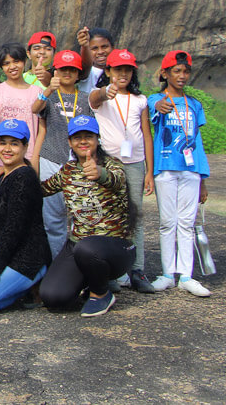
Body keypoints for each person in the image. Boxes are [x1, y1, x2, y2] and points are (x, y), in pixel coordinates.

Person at [38, 116, 137, 316]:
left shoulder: (112, 165)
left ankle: (101, 294)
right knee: (52, 296)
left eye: (88, 136)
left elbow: (116, 180)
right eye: (77, 137)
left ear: (97, 139)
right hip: (79, 246)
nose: (83, 141)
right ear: (70, 142)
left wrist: (99, 173)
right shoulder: (68, 170)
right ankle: (87, 280)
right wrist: (11, 171)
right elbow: (41, 189)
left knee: (87, 248)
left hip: (115, 246)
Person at [0, 120, 51, 313]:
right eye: (3, 143)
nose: (7, 149)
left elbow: (12, 232)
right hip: (6, 248)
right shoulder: (5, 176)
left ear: (25, 147)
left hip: (27, 258)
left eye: (14, 143)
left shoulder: (25, 178)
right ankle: (5, 280)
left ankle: (28, 285)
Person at [89, 49, 155, 293]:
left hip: (135, 163)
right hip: (109, 163)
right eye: (118, 69)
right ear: (108, 71)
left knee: (135, 215)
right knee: (107, 214)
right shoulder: (102, 96)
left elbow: (146, 135)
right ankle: (109, 272)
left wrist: (149, 172)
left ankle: (137, 270)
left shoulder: (140, 100)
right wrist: (106, 90)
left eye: (127, 70)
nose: (123, 74)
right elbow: (94, 98)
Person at [147, 50, 212, 296]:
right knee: (167, 222)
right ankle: (167, 274)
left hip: (191, 169)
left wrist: (203, 178)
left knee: (186, 222)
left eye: (185, 71)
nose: (182, 76)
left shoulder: (194, 104)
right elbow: (154, 108)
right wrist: (159, 106)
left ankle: (186, 276)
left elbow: (198, 140)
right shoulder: (156, 99)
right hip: (165, 167)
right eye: (176, 71)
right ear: (165, 74)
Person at [31, 50, 92, 258]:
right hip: (51, 158)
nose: (67, 73)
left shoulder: (85, 99)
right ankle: (56, 263)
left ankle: (79, 263)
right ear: (55, 71)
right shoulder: (49, 96)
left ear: (78, 74)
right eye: (63, 69)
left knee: (81, 216)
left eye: (72, 70)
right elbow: (35, 109)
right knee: (52, 218)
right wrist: (49, 89)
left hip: (79, 162)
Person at [0, 43, 41, 172]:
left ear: (24, 61)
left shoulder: (37, 92)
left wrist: (35, 158)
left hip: (26, 158)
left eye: (16, 61)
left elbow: (41, 129)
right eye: (6, 63)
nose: (12, 67)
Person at [77, 26, 114, 94]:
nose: (100, 52)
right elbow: (86, 65)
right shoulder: (88, 72)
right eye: (94, 48)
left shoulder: (119, 71)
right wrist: (85, 46)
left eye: (104, 47)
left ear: (113, 48)